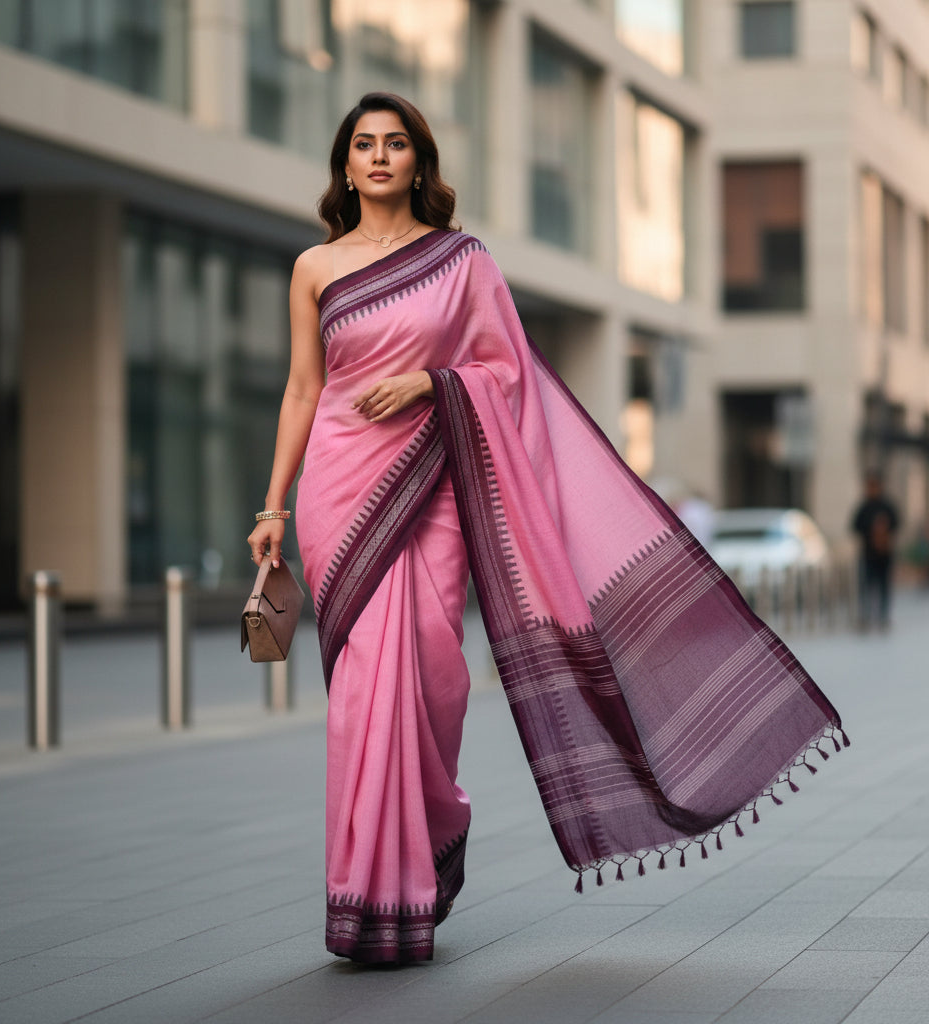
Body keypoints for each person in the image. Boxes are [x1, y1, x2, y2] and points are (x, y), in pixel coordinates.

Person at [248, 92, 845, 965]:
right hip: (342, 488)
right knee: (365, 692)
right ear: (344, 164)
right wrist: (275, 505)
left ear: (420, 161)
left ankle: (436, 824)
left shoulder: (461, 261)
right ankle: (375, 897)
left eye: (397, 144)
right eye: (364, 145)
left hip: (434, 480)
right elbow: (305, 389)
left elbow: (506, 369)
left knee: (432, 667)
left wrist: (430, 385)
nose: (379, 157)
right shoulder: (313, 267)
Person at [851, 473, 900, 629]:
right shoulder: (864, 507)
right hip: (868, 554)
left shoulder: (887, 506)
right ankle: (865, 616)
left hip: (884, 555)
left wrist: (884, 529)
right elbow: (855, 526)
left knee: (884, 586)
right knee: (866, 586)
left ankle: (883, 616)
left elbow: (896, 524)